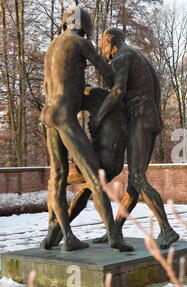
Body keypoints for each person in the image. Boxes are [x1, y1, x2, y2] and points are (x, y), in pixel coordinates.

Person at [39, 6, 133, 251]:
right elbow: (107, 71)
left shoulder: (52, 47)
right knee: (95, 176)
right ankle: (114, 235)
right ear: (84, 25)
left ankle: (59, 233)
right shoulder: (79, 42)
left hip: (48, 114)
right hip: (64, 116)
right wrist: (123, 88)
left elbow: (52, 84)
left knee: (57, 178)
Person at [93, 27, 180, 249]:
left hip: (140, 118)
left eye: (103, 46)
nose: (104, 52)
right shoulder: (139, 56)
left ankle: (167, 229)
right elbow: (156, 89)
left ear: (110, 42)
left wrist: (99, 117)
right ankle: (115, 230)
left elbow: (118, 91)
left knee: (139, 179)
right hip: (151, 119)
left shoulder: (122, 56)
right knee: (134, 181)